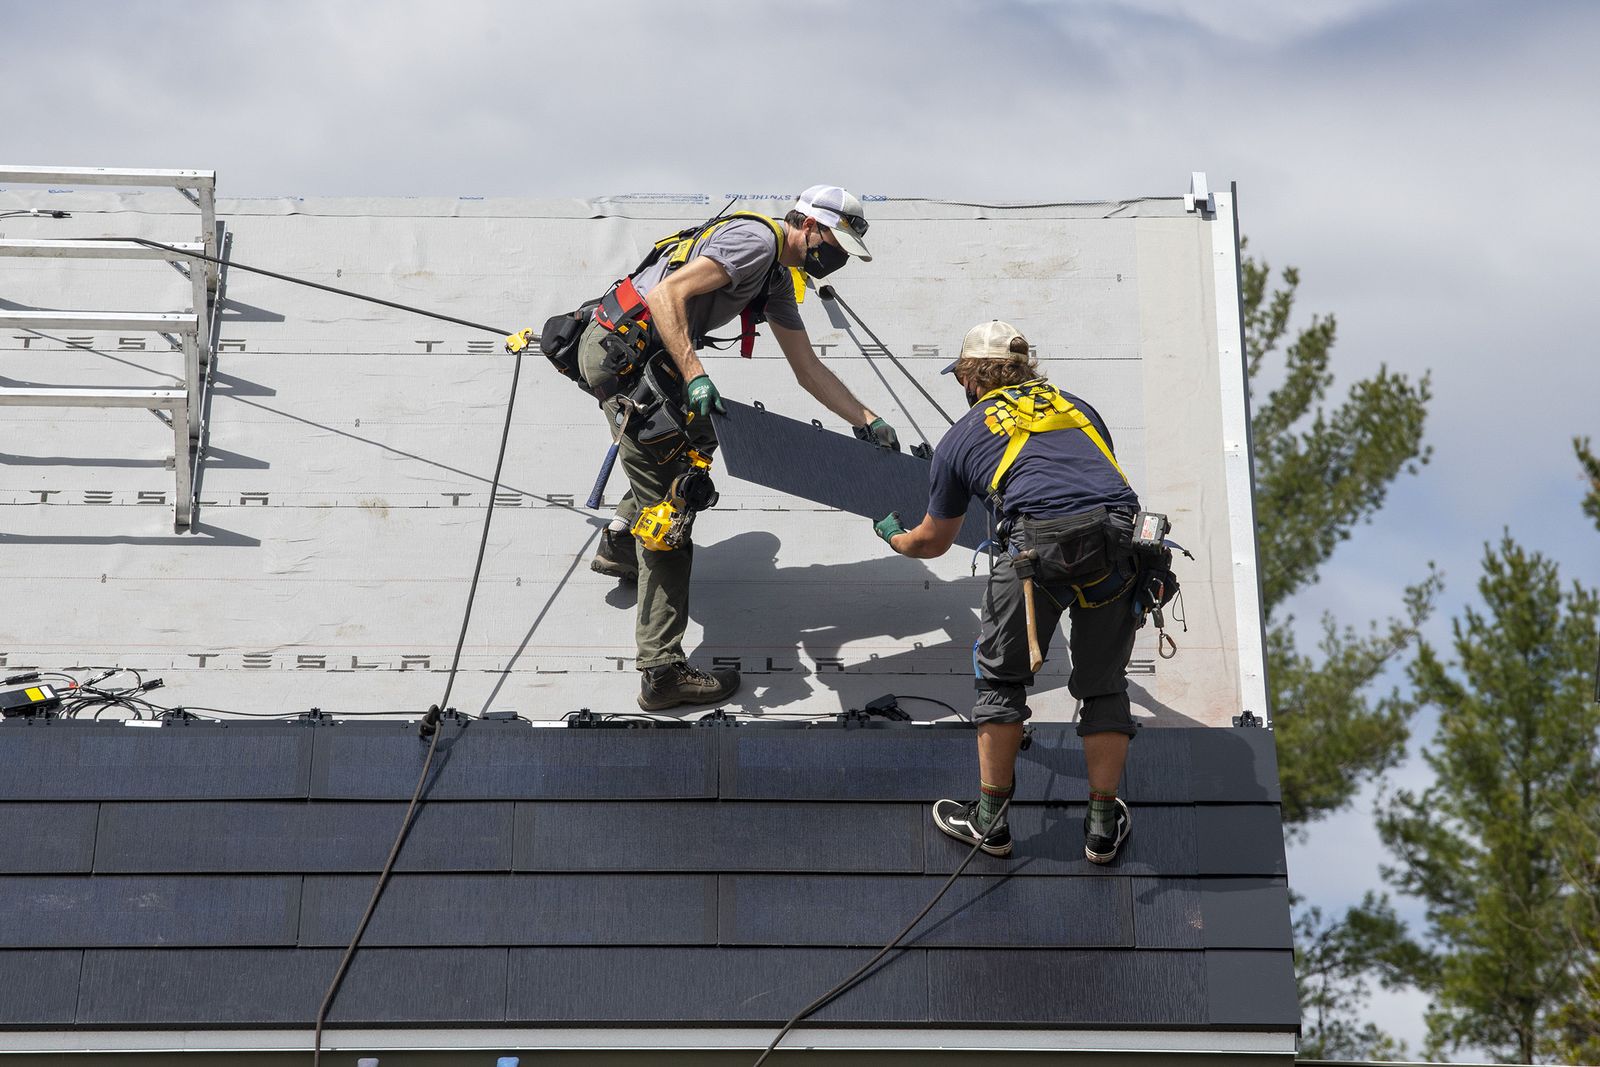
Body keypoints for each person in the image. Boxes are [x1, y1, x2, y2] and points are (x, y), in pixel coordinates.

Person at [578, 186, 899, 711]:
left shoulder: (775, 276)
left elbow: (807, 368)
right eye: (835, 244)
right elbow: (665, 297)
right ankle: (660, 672)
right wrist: (697, 373)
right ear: (809, 224)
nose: (836, 258)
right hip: (626, 354)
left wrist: (867, 420)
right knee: (670, 511)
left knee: (702, 438)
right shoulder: (755, 242)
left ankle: (618, 542)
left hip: (643, 353)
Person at [873, 320, 1142, 864]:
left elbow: (933, 542)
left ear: (973, 378)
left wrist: (895, 537)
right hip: (1117, 543)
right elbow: (1091, 484)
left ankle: (991, 823)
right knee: (1104, 685)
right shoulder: (1080, 410)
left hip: (1033, 553)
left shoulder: (961, 437)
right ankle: (1101, 825)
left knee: (1000, 682)